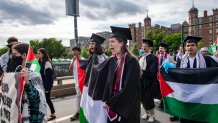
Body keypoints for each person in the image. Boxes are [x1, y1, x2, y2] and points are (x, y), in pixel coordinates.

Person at [100, 26, 141, 123]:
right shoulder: (113, 61)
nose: (109, 44)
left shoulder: (132, 62)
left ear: (122, 43)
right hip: (113, 104)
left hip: (126, 106)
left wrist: (111, 102)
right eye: (109, 42)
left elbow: (129, 88)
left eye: (112, 41)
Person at [1, 43, 47, 122]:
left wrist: (27, 82)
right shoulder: (18, 69)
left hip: (32, 116)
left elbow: (37, 98)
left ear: (24, 55)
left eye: (14, 54)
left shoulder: (33, 73)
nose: (11, 57)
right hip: (20, 114)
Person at [179, 36, 218, 123]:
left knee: (199, 114)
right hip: (186, 92)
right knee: (187, 113)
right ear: (185, 47)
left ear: (197, 47)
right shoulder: (181, 60)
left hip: (201, 92)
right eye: (188, 45)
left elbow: (215, 71)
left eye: (192, 45)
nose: (190, 47)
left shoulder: (206, 59)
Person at [139, 39, 158, 122]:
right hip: (141, 81)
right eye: (143, 46)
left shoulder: (153, 58)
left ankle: (152, 115)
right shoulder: (141, 57)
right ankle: (146, 113)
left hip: (149, 82)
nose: (144, 48)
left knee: (149, 99)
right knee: (142, 99)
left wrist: (142, 72)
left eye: (146, 46)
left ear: (149, 48)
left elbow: (153, 71)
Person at [37, 48, 56, 121]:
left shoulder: (47, 63)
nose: (38, 54)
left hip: (47, 84)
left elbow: (48, 76)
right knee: (44, 99)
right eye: (37, 53)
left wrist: (47, 88)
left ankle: (53, 114)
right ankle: (47, 114)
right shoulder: (39, 62)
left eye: (39, 53)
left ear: (43, 54)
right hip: (41, 83)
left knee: (47, 99)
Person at [69, 46, 84, 121]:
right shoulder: (73, 59)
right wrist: (73, 61)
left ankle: (78, 112)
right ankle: (80, 112)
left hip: (82, 82)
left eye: (75, 51)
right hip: (76, 82)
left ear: (79, 52)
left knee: (80, 97)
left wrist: (78, 60)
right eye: (73, 51)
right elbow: (70, 69)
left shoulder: (83, 60)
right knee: (79, 97)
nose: (74, 52)